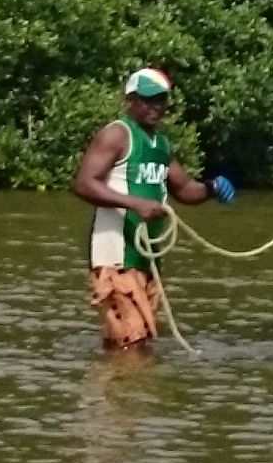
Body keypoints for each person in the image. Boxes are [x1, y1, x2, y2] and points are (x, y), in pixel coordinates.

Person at [74, 67, 217, 350]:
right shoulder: (117, 135)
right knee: (133, 342)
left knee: (135, 341)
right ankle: (121, 390)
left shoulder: (161, 145)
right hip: (115, 255)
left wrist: (212, 188)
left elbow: (185, 189)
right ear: (130, 101)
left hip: (145, 257)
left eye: (160, 100)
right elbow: (83, 183)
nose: (155, 107)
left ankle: (115, 389)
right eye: (147, 100)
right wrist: (134, 203)